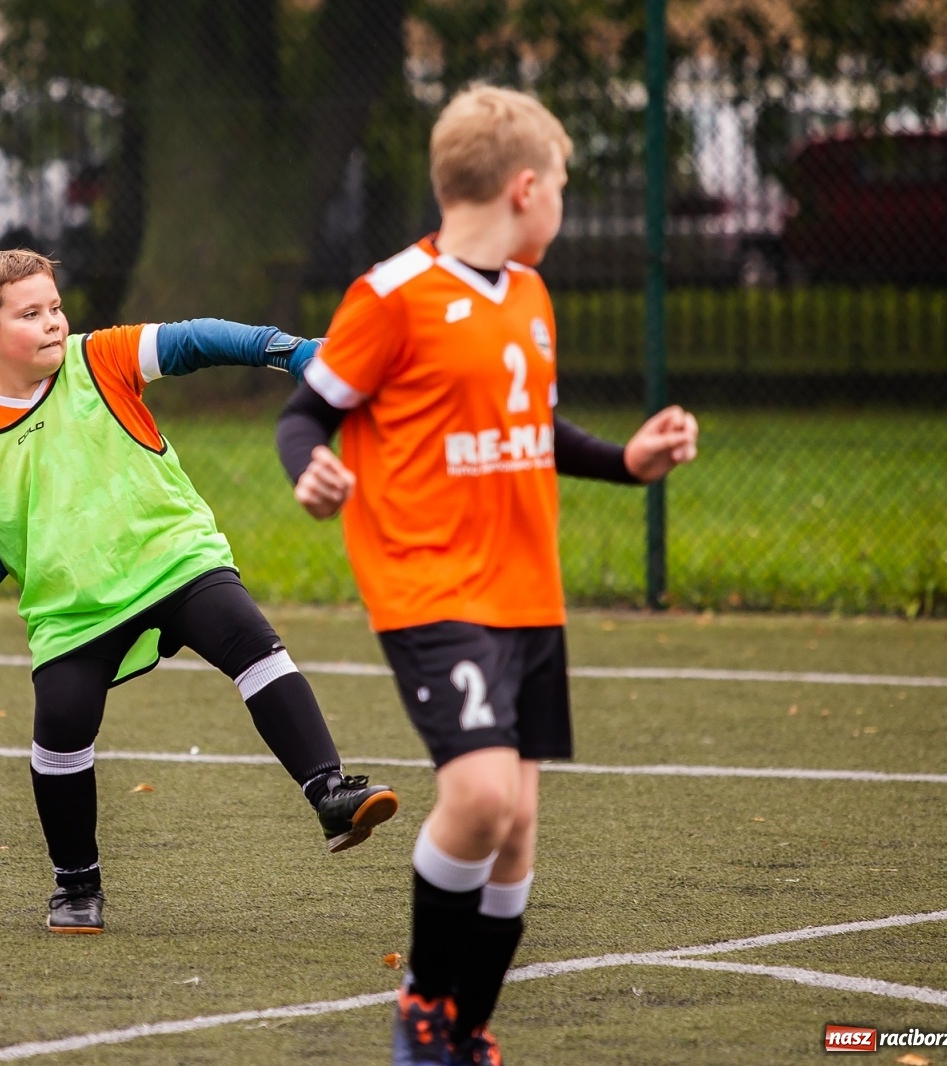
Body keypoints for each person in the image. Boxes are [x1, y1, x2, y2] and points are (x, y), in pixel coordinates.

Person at [274, 86, 698, 1064]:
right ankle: (424, 998)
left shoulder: (529, 294)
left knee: (515, 832)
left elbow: (526, 428)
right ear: (522, 187)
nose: (559, 202)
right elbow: (305, 413)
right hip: (429, 585)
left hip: (524, 592)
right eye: (558, 185)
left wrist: (623, 461)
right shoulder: (390, 296)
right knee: (480, 799)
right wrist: (311, 468)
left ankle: (465, 1029)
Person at [0, 248, 399, 935]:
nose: (54, 323)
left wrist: (289, 351)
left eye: (55, 306)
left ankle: (329, 792)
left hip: (174, 559)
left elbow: (196, 340)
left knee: (253, 646)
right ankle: (76, 884)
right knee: (60, 731)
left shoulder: (103, 359)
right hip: (73, 608)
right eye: (30, 315)